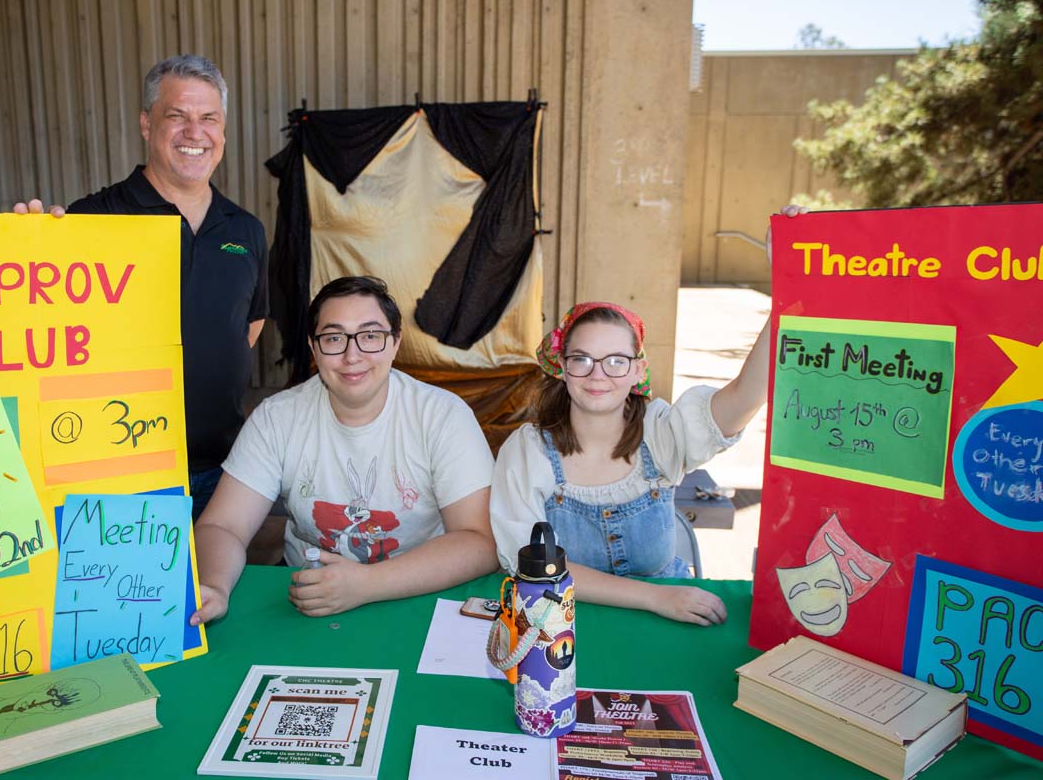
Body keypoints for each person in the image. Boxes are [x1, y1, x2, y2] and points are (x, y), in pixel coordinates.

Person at [490, 208, 802, 626]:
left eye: (616, 360)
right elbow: (536, 570)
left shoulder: (661, 431)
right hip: (567, 627)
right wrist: (655, 598)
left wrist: (789, 283)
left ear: (638, 370)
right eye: (581, 359)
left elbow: (746, 394)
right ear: (561, 368)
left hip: (671, 621)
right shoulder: (527, 452)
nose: (598, 374)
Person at [14, 54, 267, 517]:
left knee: (215, 587)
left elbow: (250, 323)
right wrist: (26, 250)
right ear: (147, 125)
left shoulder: (246, 230)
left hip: (225, 469)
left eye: (208, 118)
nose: (195, 132)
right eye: (178, 116)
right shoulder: (92, 219)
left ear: (224, 131)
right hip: (122, 474)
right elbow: (45, 329)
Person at [190, 276, 499, 623]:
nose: (353, 356)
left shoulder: (442, 415)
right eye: (334, 338)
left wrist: (367, 584)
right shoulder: (277, 418)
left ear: (395, 342)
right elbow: (222, 525)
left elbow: (479, 542)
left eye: (370, 336)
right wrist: (213, 585)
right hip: (309, 600)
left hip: (422, 594)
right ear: (313, 347)